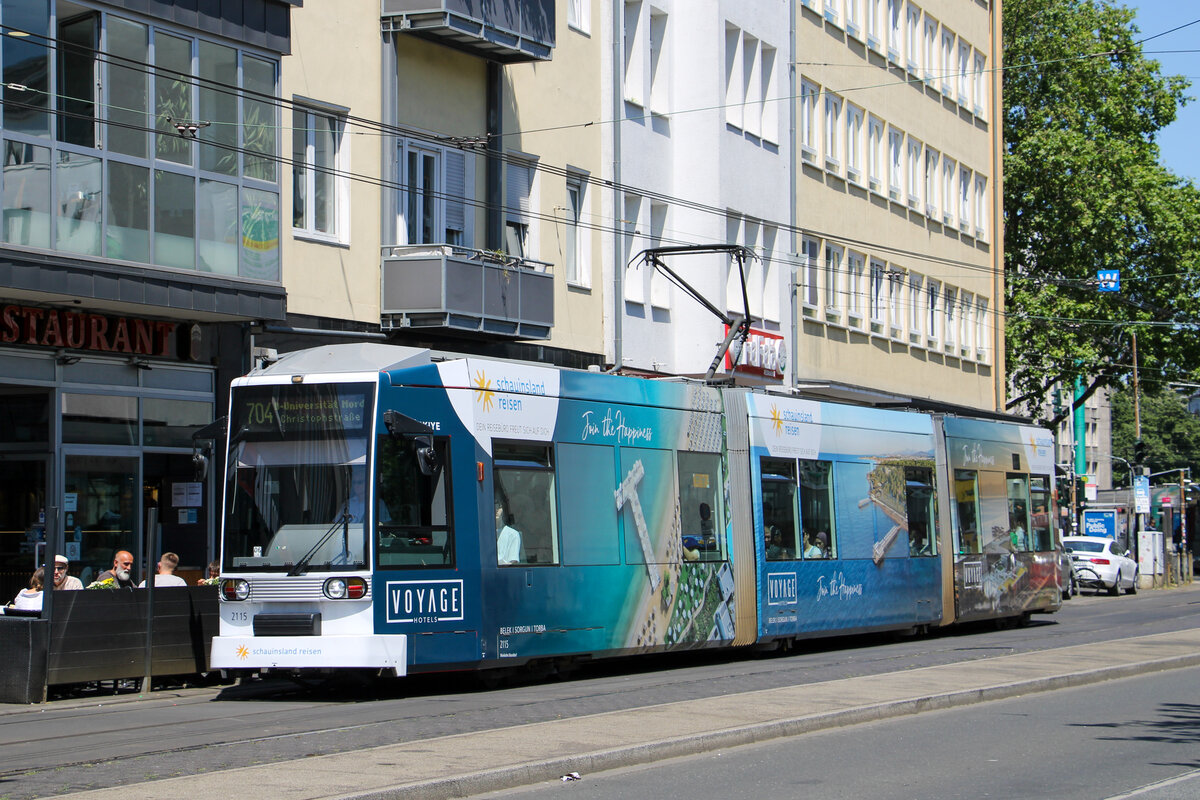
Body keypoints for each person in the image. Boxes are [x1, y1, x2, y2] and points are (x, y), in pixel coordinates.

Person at [495, 499, 522, 565]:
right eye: (493, 506)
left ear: (503, 510)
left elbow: (512, 562)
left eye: (499, 507)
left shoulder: (513, 534)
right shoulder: (483, 535)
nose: (496, 509)